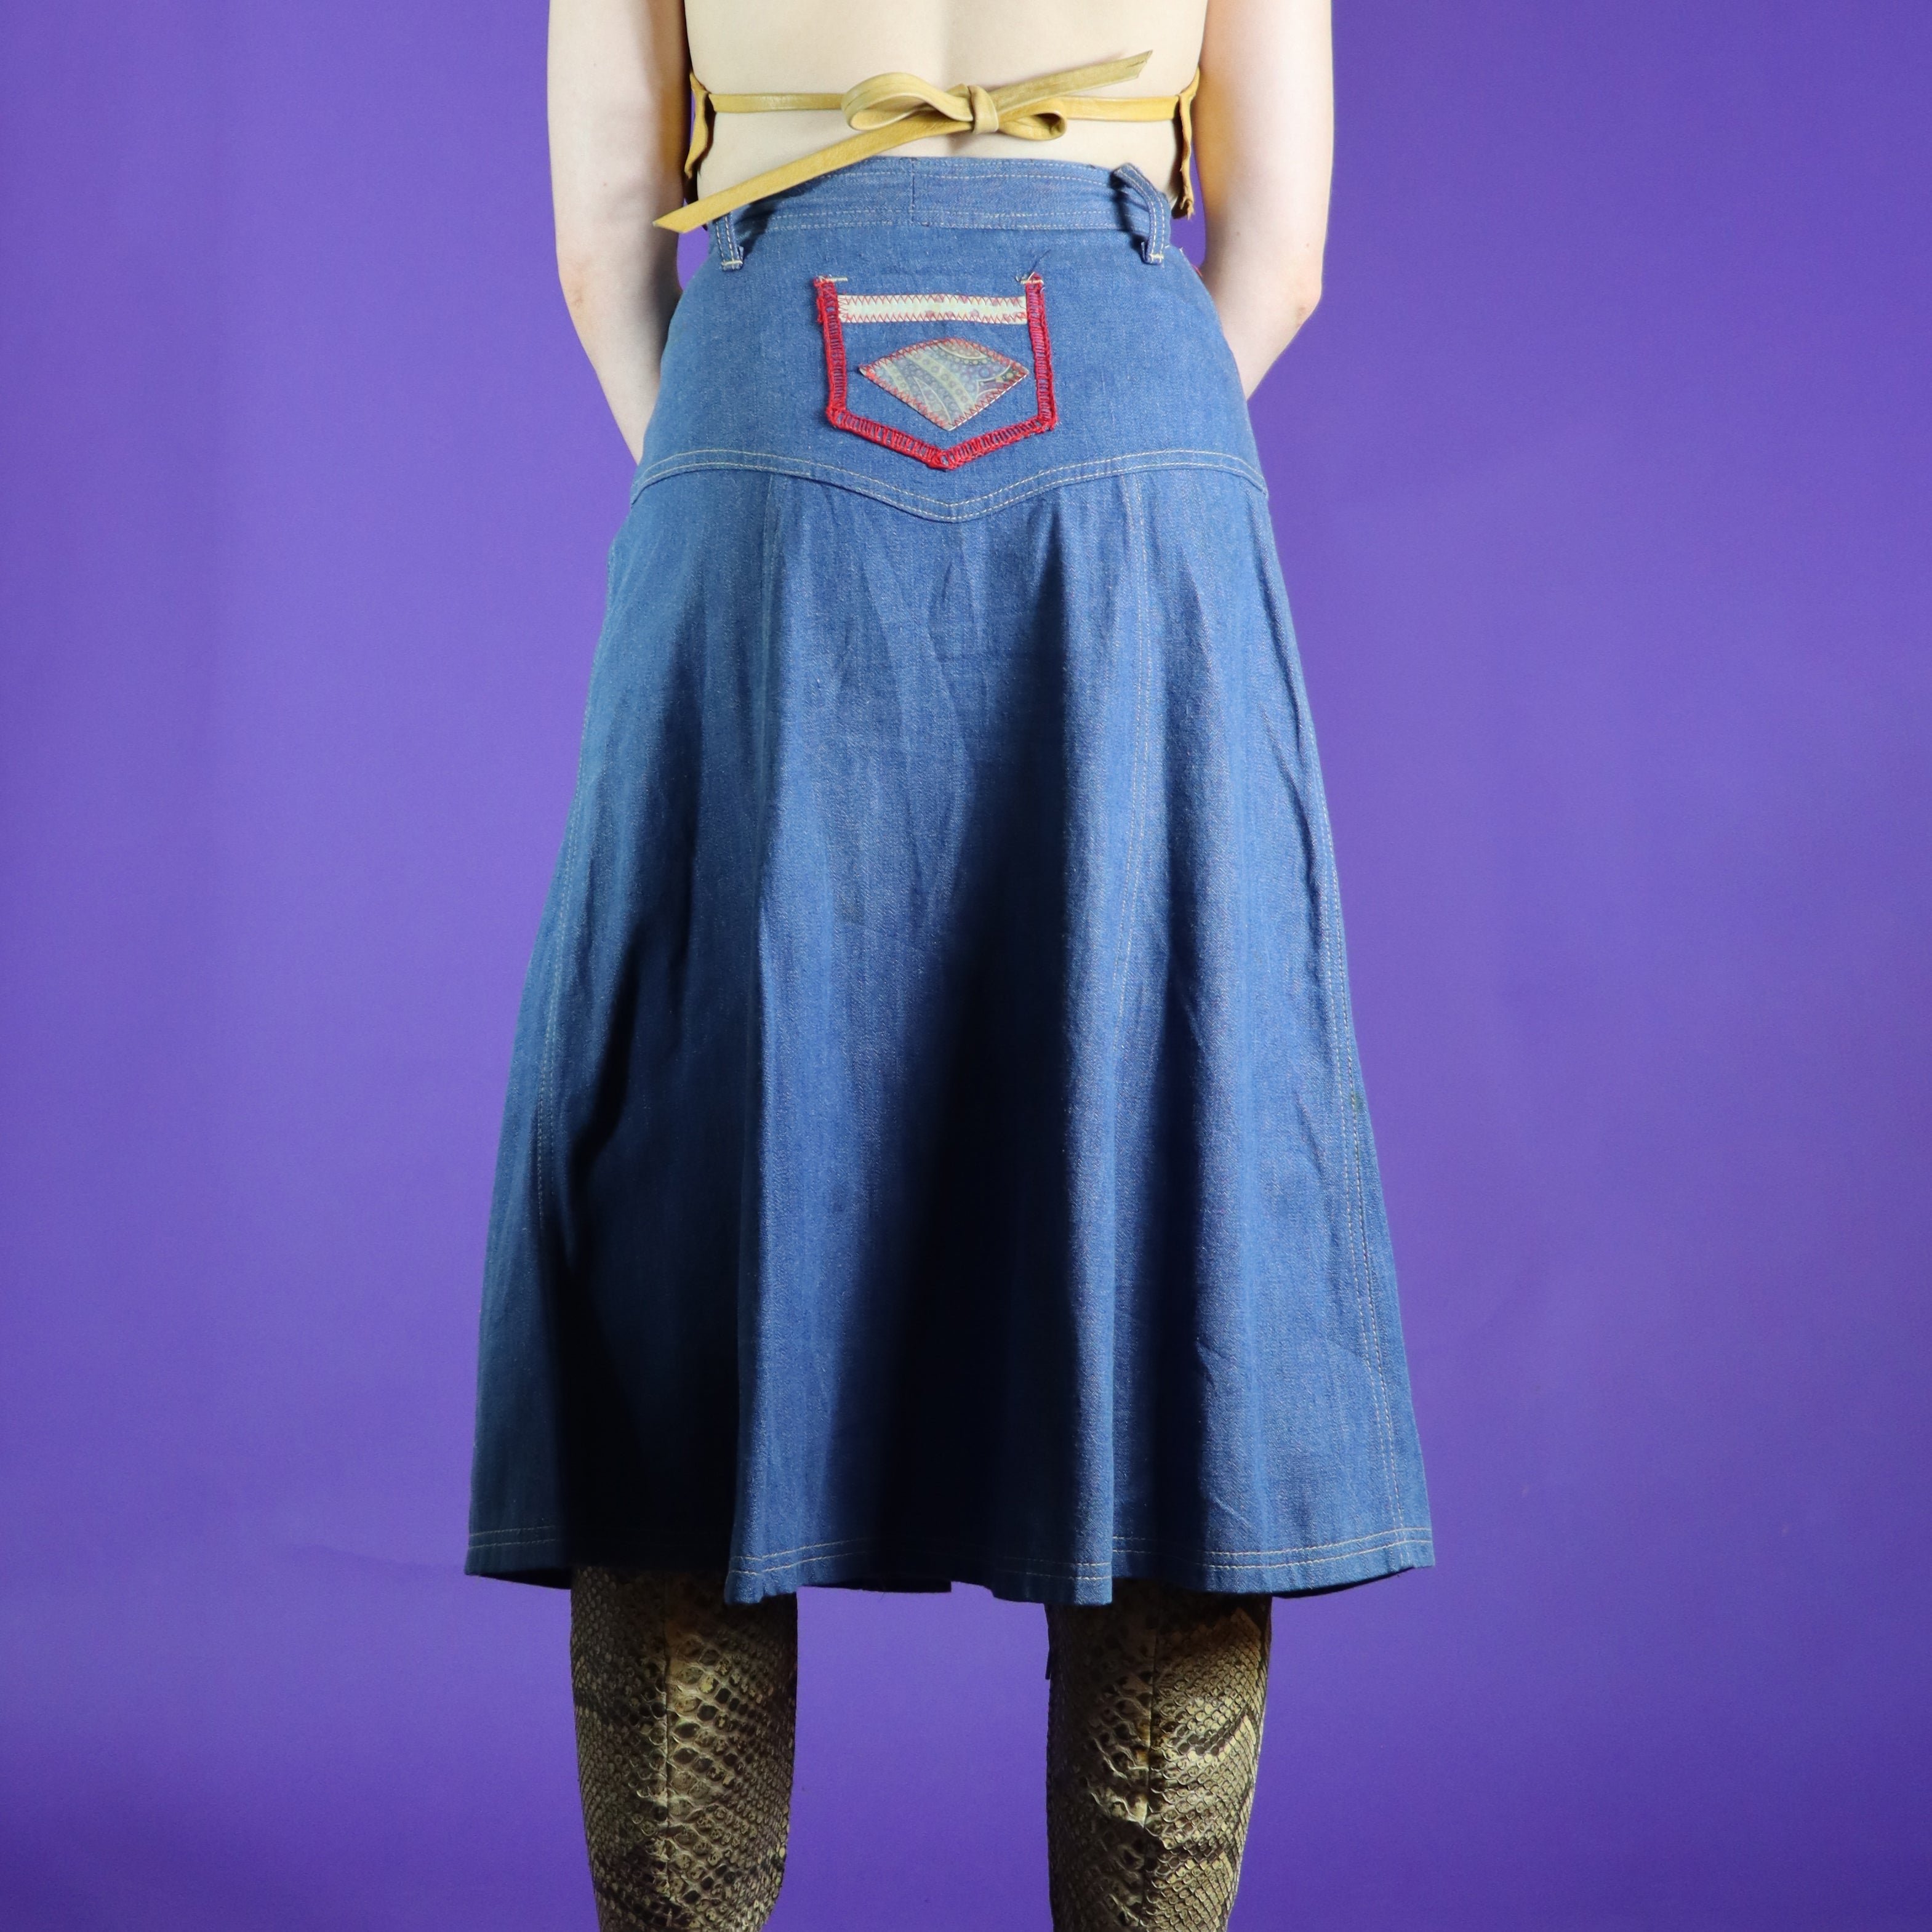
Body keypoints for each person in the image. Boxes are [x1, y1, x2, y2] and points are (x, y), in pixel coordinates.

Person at [467, 1, 1433, 1925]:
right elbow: (1283, 252)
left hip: (759, 409)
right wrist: (1113, 426)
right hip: (1132, 429)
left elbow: (598, 248)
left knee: (696, 1201)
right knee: (1159, 1203)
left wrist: (750, 462)